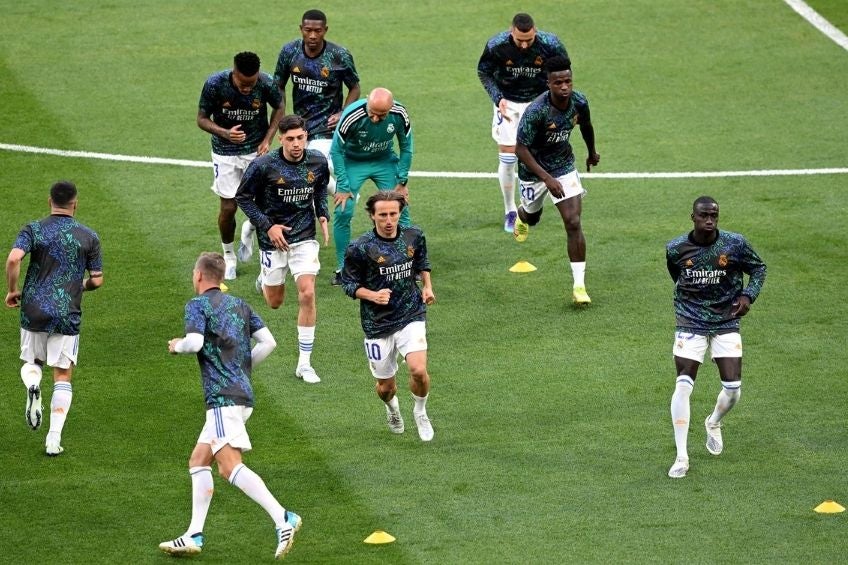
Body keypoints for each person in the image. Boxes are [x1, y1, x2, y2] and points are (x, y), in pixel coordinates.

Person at [159, 252, 302, 559]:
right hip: (241, 394)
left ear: (198, 275)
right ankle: (194, 534)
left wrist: (176, 346)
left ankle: (283, 518)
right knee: (199, 460)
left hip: (223, 399)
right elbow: (269, 343)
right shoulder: (240, 305)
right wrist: (243, 370)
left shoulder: (196, 306)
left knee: (228, 467)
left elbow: (194, 343)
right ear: (220, 277)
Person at [240, 9, 360, 262]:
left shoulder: (339, 55)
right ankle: (256, 222)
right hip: (300, 128)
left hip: (327, 127)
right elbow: (278, 87)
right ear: (301, 29)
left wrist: (343, 112)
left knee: (318, 169)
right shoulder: (289, 52)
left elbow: (355, 87)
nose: (313, 35)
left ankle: (342, 192)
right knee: (307, 178)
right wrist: (282, 121)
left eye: (318, 30)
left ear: (325, 30)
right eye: (308, 30)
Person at [665, 197, 767, 479]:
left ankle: (713, 422)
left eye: (714, 215)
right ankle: (681, 457)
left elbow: (759, 268)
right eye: (704, 216)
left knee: (733, 389)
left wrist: (748, 295)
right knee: (684, 385)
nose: (709, 220)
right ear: (693, 217)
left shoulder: (735, 243)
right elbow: (677, 276)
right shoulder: (675, 248)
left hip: (726, 318)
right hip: (690, 318)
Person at [5, 181, 103, 456]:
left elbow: (14, 260)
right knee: (62, 374)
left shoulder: (33, 229)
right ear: (76, 203)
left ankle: (33, 385)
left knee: (31, 361)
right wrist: (80, 286)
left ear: (49, 201)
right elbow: (97, 280)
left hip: (33, 307)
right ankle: (53, 438)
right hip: (66, 310)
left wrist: (13, 290)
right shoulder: (89, 236)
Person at [235, 114, 330, 384]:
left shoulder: (318, 162)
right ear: (281, 139)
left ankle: (304, 364)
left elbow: (320, 189)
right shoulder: (264, 165)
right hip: (272, 239)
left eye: (301, 138)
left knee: (307, 293)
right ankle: (254, 247)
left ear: (306, 137)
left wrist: (322, 214)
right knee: (274, 302)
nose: (297, 144)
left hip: (304, 236)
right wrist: (267, 226)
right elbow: (243, 197)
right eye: (290, 139)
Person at [340, 192, 435, 441]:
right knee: (386, 387)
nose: (389, 220)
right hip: (377, 324)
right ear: (373, 216)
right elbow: (348, 285)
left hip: (411, 313)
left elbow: (422, 262)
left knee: (418, 369)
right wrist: (372, 295)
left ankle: (420, 412)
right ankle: (392, 409)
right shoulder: (360, 248)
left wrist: (427, 287)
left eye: (393, 214)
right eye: (383, 215)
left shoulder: (413, 236)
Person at [512, 56, 600, 305]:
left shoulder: (579, 102)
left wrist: (592, 152)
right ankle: (522, 214)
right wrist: (546, 178)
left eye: (568, 81)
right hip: (534, 171)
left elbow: (587, 125)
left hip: (563, 165)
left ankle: (579, 286)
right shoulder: (536, 112)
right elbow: (520, 149)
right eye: (558, 82)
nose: (564, 87)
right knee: (533, 217)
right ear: (548, 83)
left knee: (573, 221)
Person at [477, 13, 569, 233]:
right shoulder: (496, 45)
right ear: (512, 32)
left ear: (535, 31)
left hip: (539, 103)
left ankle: (530, 205)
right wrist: (497, 98)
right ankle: (510, 210)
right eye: (520, 41)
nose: (525, 45)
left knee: (538, 155)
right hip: (508, 103)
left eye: (529, 40)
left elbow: (564, 72)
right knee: (508, 157)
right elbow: (484, 72)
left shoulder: (551, 44)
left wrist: (556, 100)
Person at [197, 51, 284, 280]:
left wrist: (268, 138)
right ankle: (229, 256)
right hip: (224, 153)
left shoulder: (265, 82)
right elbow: (202, 119)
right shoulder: (215, 84)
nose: (247, 88)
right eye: (243, 84)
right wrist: (225, 133)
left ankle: (253, 232)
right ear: (233, 73)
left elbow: (280, 106)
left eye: (251, 83)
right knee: (228, 208)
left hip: (255, 151)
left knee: (266, 202)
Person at [330, 87, 414, 286]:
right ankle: (344, 268)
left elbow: (406, 147)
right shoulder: (352, 115)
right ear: (367, 103)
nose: (375, 119)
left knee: (401, 208)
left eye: (381, 115)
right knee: (343, 210)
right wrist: (342, 185)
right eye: (372, 114)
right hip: (353, 161)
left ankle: (408, 263)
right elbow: (336, 150)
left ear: (391, 108)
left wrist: (402, 182)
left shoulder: (399, 114)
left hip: (384, 160)